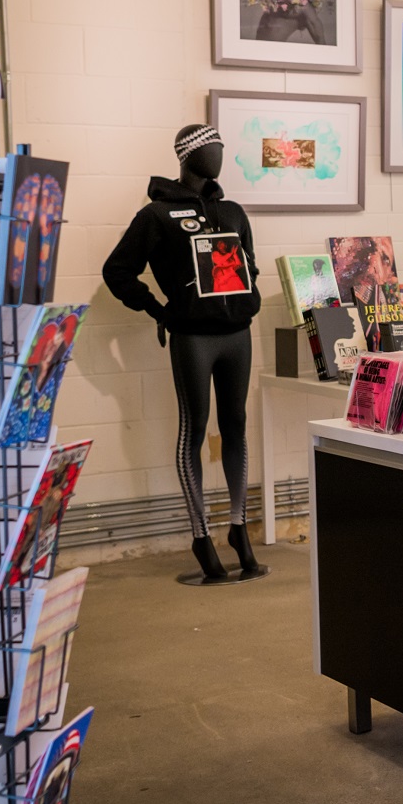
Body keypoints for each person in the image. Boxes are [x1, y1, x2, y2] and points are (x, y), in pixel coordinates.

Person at [102, 124, 265, 584]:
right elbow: (117, 270)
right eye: (211, 147)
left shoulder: (233, 211)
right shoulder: (155, 216)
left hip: (238, 333)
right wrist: (158, 308)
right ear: (188, 155)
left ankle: (238, 529)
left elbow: (248, 262)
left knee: (235, 425)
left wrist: (245, 288)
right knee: (193, 429)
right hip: (194, 337)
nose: (218, 154)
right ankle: (200, 536)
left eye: (220, 146)